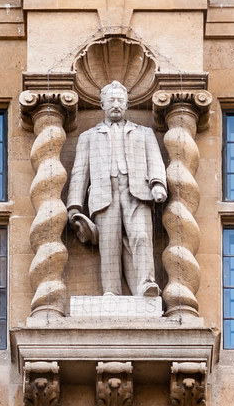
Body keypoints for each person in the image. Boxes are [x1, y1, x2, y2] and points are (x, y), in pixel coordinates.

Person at [66, 80, 168, 297]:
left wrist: (158, 184)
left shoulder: (144, 133)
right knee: (109, 245)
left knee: (141, 236)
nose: (116, 104)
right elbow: (79, 173)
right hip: (104, 193)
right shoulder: (88, 137)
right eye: (111, 100)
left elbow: (155, 161)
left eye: (120, 100)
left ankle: (146, 283)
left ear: (127, 104)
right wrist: (74, 206)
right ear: (102, 104)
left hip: (137, 192)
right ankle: (111, 291)